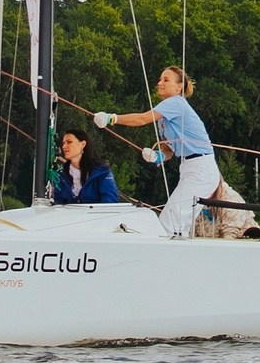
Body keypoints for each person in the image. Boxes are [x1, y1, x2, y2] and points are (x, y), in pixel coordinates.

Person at [93, 67, 221, 239]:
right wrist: (158, 156)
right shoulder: (164, 119)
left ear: (178, 87)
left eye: (166, 80)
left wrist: (112, 118)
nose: (160, 83)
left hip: (201, 168)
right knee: (176, 221)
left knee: (171, 220)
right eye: (160, 79)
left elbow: (141, 119)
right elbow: (169, 150)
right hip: (190, 167)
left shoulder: (176, 103)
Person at [49, 128, 120, 206]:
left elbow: (110, 203)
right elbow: (58, 204)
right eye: (63, 143)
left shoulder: (102, 172)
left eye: (69, 142)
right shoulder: (60, 176)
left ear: (82, 144)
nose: (64, 146)